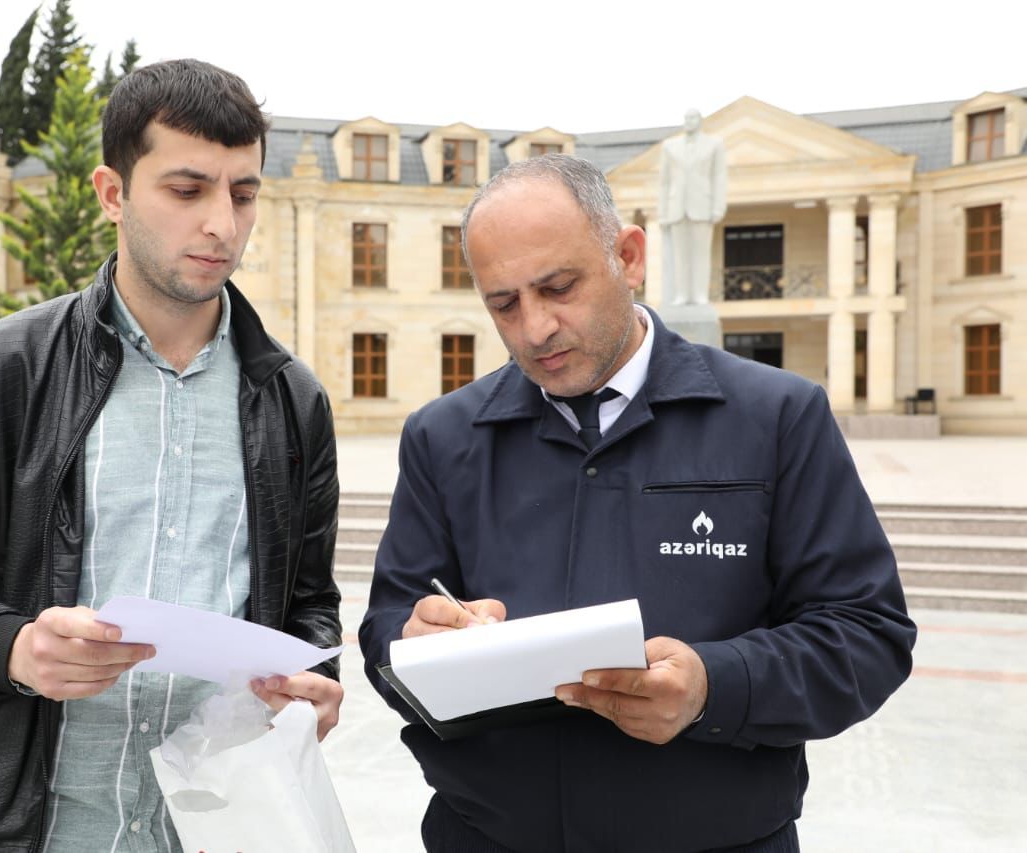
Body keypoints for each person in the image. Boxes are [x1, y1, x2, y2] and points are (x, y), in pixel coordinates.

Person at [358, 154, 915, 853]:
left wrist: (714, 686)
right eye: (503, 303)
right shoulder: (441, 437)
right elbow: (385, 628)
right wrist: (415, 640)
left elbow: (868, 634)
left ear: (629, 256)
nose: (534, 329)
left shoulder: (777, 417)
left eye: (558, 288)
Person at [0, 59, 344, 853]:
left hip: (213, 825)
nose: (222, 225)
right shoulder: (4, 367)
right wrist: (15, 648)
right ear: (112, 192)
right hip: (19, 827)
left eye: (243, 193)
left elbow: (310, 606)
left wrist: (316, 687)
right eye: (187, 190)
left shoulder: (295, 400)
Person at [659, 108, 728, 306]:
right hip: (677, 207)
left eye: (693, 118)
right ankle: (681, 294)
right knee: (680, 255)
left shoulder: (714, 144)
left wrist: (717, 207)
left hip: (702, 206)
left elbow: (719, 176)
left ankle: (699, 294)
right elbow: (664, 181)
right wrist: (663, 212)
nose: (689, 121)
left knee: (701, 254)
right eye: (686, 118)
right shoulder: (670, 146)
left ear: (700, 120)